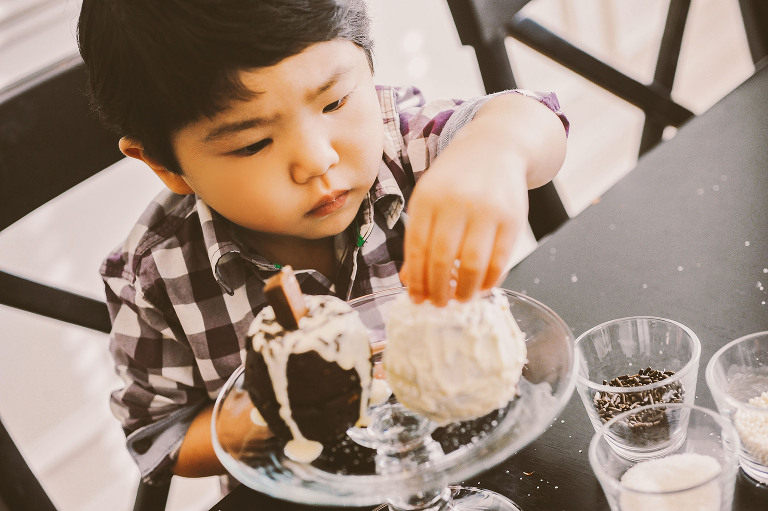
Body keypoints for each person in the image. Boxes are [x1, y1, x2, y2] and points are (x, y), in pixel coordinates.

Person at [77, 0, 568, 486]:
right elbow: (165, 439)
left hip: (483, 455)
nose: (316, 159)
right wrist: (287, 404)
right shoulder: (156, 276)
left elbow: (535, 116)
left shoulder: (406, 146)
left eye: (334, 103)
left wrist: (495, 148)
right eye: (252, 143)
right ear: (163, 165)